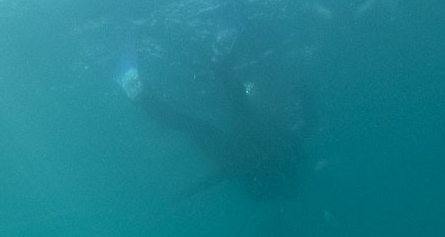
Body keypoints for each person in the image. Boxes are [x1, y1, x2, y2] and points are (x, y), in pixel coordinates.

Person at [121, 45, 315, 202]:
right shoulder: (287, 156)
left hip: (239, 152)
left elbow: (223, 174)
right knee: (210, 116)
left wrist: (188, 192)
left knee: (198, 123)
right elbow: (304, 125)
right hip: (245, 146)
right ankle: (217, 60)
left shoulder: (268, 166)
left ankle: (143, 97)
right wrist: (305, 94)